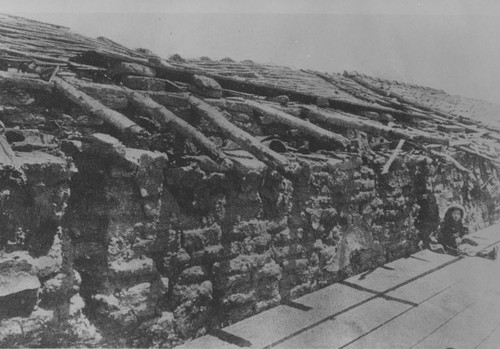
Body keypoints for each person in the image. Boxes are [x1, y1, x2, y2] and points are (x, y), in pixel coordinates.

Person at [430, 204, 497, 259]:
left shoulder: (459, 224)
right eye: (454, 213)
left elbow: (462, 233)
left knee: (468, 241)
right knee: (466, 249)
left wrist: (465, 236)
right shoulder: (446, 224)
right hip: (448, 246)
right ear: (450, 214)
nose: (456, 216)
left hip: (457, 243)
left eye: (458, 214)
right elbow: (444, 237)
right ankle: (486, 254)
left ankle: (486, 251)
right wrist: (454, 239)